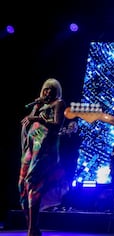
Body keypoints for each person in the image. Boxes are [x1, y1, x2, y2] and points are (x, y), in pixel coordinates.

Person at [19, 78, 66, 236]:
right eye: (46, 89)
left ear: (56, 91)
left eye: (51, 89)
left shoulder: (59, 103)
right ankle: (33, 225)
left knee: (34, 185)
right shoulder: (40, 105)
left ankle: (32, 229)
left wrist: (39, 118)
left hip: (44, 150)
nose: (48, 92)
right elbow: (29, 123)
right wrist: (37, 108)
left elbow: (57, 125)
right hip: (30, 148)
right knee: (21, 185)